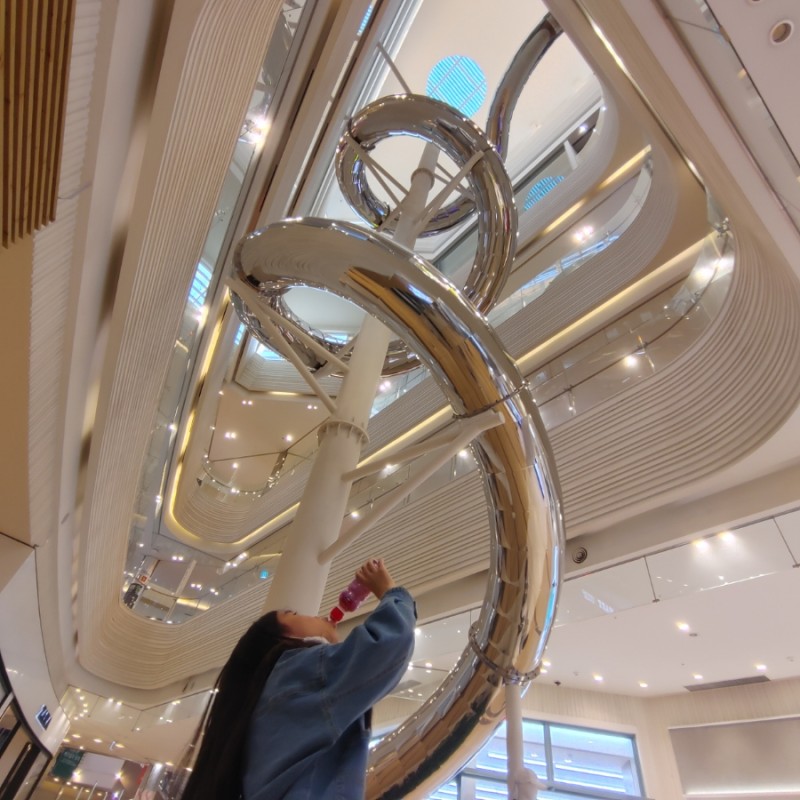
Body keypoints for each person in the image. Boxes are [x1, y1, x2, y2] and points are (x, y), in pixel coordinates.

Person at [181, 558, 416, 800]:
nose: (315, 616)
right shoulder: (297, 673)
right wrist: (390, 591)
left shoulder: (267, 701)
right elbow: (388, 645)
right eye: (292, 614)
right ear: (279, 638)